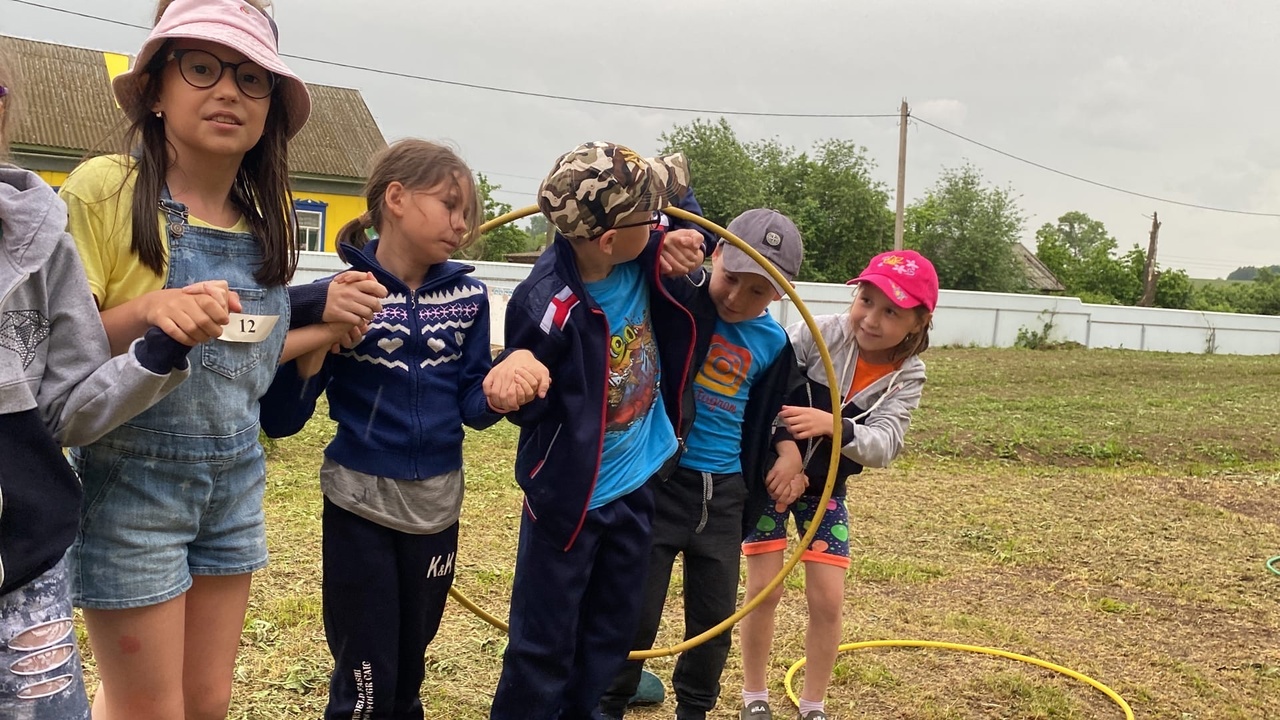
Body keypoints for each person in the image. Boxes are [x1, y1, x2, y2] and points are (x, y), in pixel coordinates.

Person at [57, 2, 377, 718]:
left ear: (270, 108)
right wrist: (150, 312)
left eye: (250, 77)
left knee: (206, 701)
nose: (228, 90)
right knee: (150, 709)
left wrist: (324, 331)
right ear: (155, 90)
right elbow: (61, 359)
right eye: (201, 67)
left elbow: (248, 359)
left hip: (234, 483)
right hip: (131, 485)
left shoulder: (268, 219)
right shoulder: (107, 189)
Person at [259, 138, 547, 720]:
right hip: (358, 504)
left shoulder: (469, 297)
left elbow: (472, 406)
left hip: (437, 507)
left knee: (409, 668)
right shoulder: (341, 295)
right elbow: (282, 421)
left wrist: (505, 382)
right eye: (449, 205)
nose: (462, 224)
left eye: (467, 213)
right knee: (366, 678)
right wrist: (316, 346)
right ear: (395, 198)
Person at [482, 141, 710, 720]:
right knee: (543, 645)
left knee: (609, 634)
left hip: (636, 486)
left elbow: (681, 207)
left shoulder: (641, 251)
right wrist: (515, 379)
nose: (660, 222)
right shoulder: (544, 304)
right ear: (608, 240)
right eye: (650, 219)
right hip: (570, 502)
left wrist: (674, 235)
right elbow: (528, 407)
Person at [0, 59, 197, 720]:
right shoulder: (99, 191)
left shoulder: (41, 246)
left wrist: (157, 353)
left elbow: (66, 407)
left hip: (26, 568)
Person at [599, 208, 809, 720]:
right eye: (730, 278)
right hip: (662, 483)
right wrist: (665, 244)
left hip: (726, 498)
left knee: (713, 620)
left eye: (757, 291)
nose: (736, 297)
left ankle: (694, 708)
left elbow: (776, 411)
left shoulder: (774, 344)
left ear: (779, 294)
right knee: (635, 610)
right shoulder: (680, 304)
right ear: (716, 255)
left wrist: (788, 451)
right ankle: (609, 703)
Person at [737, 250, 938, 720]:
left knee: (827, 600)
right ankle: (753, 696)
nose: (871, 319)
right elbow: (764, 391)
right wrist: (785, 453)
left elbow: (886, 445)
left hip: (826, 492)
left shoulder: (908, 374)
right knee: (764, 590)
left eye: (891, 312)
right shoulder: (817, 333)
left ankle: (813, 705)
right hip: (772, 480)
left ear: (918, 322)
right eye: (865, 300)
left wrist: (836, 426)